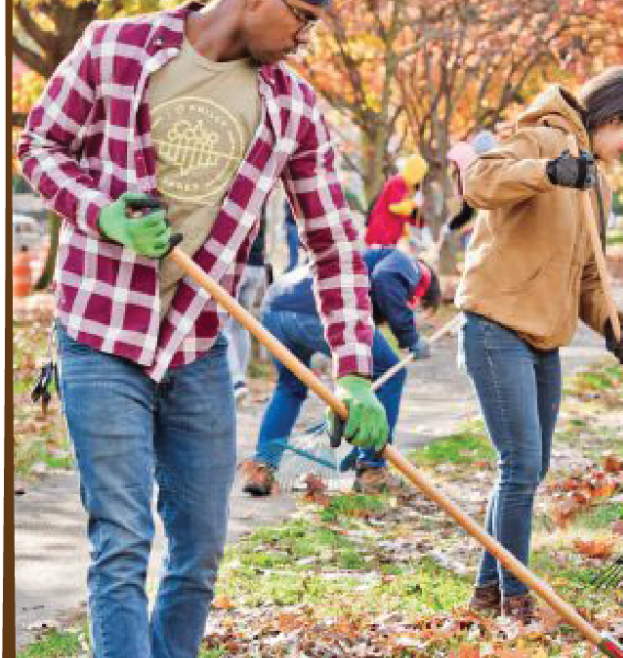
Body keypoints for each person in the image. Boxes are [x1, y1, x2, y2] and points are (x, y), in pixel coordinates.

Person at [16, 2, 389, 656]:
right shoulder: (115, 47)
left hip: (196, 345)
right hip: (100, 333)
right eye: (303, 16)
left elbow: (333, 249)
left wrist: (355, 373)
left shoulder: (293, 108)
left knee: (199, 551)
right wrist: (101, 214)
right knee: (123, 540)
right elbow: (38, 144)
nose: (306, 38)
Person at [456, 66, 623, 622]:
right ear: (613, 118)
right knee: (520, 464)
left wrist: (612, 324)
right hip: (496, 325)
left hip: (544, 335)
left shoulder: (596, 183)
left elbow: (589, 276)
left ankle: (488, 589)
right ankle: (517, 600)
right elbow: (478, 183)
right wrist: (549, 171)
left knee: (531, 466)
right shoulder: (540, 137)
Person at [240, 248, 442, 495]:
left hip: (276, 306)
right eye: (418, 307)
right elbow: (386, 279)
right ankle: (372, 469)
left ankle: (262, 466)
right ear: (423, 289)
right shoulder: (408, 265)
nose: (413, 311)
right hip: (318, 306)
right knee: (391, 372)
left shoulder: (369, 262)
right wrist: (410, 337)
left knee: (290, 387)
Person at [226, 221, 267, 403]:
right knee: (241, 325)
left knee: (223, 325)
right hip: (257, 265)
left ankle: (236, 381)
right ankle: (241, 380)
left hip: (237, 262)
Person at [364, 154, 429, 248]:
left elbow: (403, 213)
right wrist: (412, 204)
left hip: (388, 236)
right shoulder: (398, 182)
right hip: (382, 235)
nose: (421, 178)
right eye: (421, 174)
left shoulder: (405, 185)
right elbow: (394, 207)